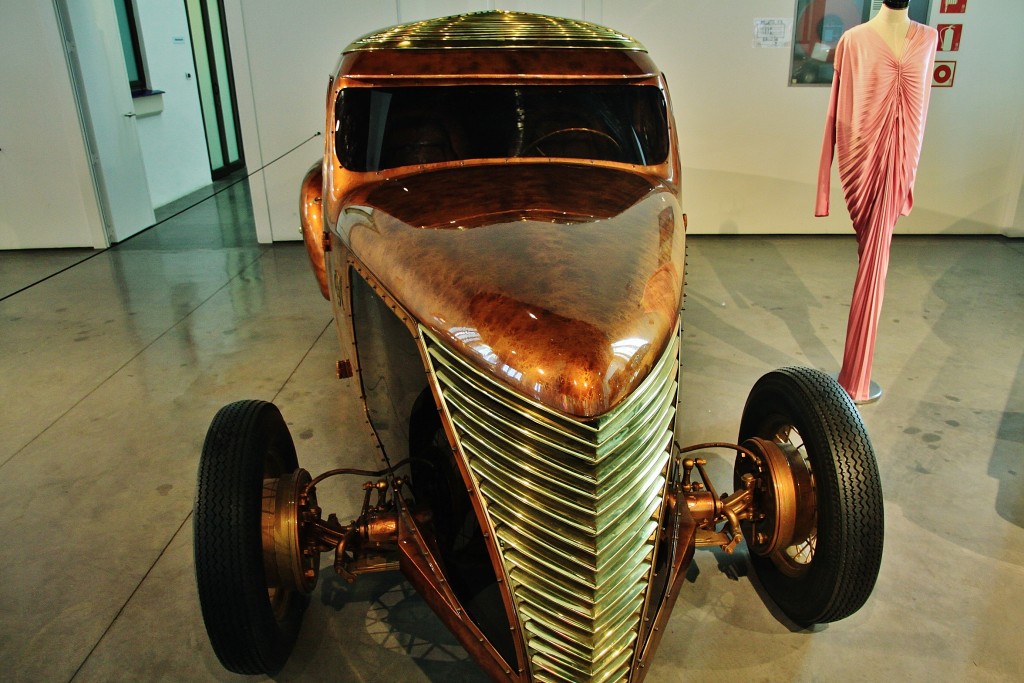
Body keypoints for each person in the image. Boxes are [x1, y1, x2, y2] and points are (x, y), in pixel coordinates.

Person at [816, 0, 938, 402]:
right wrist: (824, 185)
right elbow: (836, 111)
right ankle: (856, 374)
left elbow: (922, 108)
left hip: (901, 156)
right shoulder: (853, 40)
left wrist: (910, 169)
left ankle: (856, 374)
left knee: (875, 255)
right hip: (862, 155)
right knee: (873, 254)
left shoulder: (929, 38)